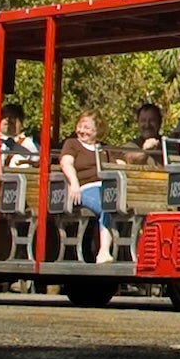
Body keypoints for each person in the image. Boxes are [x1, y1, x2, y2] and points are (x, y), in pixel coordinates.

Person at [61, 111, 115, 264]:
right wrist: (74, 182)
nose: (81, 131)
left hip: (105, 187)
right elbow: (66, 163)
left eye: (87, 128)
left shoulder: (104, 149)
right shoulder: (72, 144)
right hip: (85, 187)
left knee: (113, 200)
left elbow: (118, 165)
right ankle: (103, 251)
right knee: (108, 204)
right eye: (80, 126)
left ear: (98, 130)